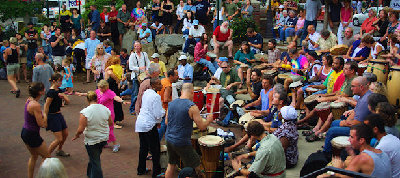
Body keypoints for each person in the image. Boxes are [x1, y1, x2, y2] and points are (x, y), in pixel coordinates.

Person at [164, 83, 214, 178]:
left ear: (181, 92)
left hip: (169, 139)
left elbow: (166, 122)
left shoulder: (171, 104)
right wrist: (209, 120)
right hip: (181, 142)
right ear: (192, 92)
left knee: (171, 165)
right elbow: (202, 127)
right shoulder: (192, 107)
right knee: (196, 166)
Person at [322, 76, 372, 154]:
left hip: (362, 130)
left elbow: (358, 123)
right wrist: (347, 120)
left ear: (361, 87)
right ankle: (332, 148)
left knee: (332, 131)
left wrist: (345, 123)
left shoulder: (365, 101)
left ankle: (326, 154)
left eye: (353, 86)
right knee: (335, 123)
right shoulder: (364, 96)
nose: (351, 88)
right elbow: (355, 111)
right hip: (355, 124)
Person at [72, 91, 112, 178]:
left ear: (87, 100)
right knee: (94, 158)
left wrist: (76, 135)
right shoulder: (105, 109)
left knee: (95, 161)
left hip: (92, 140)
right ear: (97, 99)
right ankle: (89, 174)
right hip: (103, 138)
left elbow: (80, 129)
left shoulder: (85, 112)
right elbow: (110, 123)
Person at [135, 78, 165, 177]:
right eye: (159, 84)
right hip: (149, 125)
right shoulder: (155, 96)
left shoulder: (146, 93)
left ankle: (141, 169)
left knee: (143, 148)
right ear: (154, 85)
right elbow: (157, 114)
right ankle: (156, 172)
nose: (161, 85)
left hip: (141, 123)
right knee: (155, 149)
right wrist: (164, 112)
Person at [21, 83, 50, 178]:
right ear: (40, 92)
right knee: (47, 157)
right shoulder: (35, 105)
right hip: (32, 134)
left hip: (25, 132)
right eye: (43, 89)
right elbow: (41, 124)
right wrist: (45, 116)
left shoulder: (29, 100)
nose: (45, 90)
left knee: (34, 156)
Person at [44, 73, 70, 157]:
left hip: (59, 115)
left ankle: (59, 150)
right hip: (52, 116)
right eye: (59, 81)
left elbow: (68, 102)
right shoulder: (51, 93)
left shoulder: (58, 91)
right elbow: (46, 105)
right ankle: (46, 156)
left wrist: (63, 96)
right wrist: (45, 117)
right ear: (54, 81)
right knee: (59, 139)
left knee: (65, 134)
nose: (61, 83)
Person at [128, 41, 151, 114]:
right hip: (136, 76)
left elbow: (148, 63)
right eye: (135, 46)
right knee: (135, 93)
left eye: (138, 46)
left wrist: (147, 70)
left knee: (144, 92)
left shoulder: (144, 54)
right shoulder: (132, 55)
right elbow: (131, 67)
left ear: (140, 46)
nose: (137, 47)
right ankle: (132, 109)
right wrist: (139, 68)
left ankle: (142, 107)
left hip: (144, 76)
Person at [158, 69, 179, 140]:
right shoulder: (168, 86)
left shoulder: (163, 80)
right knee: (164, 126)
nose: (178, 76)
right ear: (171, 76)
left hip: (161, 106)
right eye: (176, 75)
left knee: (164, 126)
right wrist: (177, 101)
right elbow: (166, 99)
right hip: (166, 109)